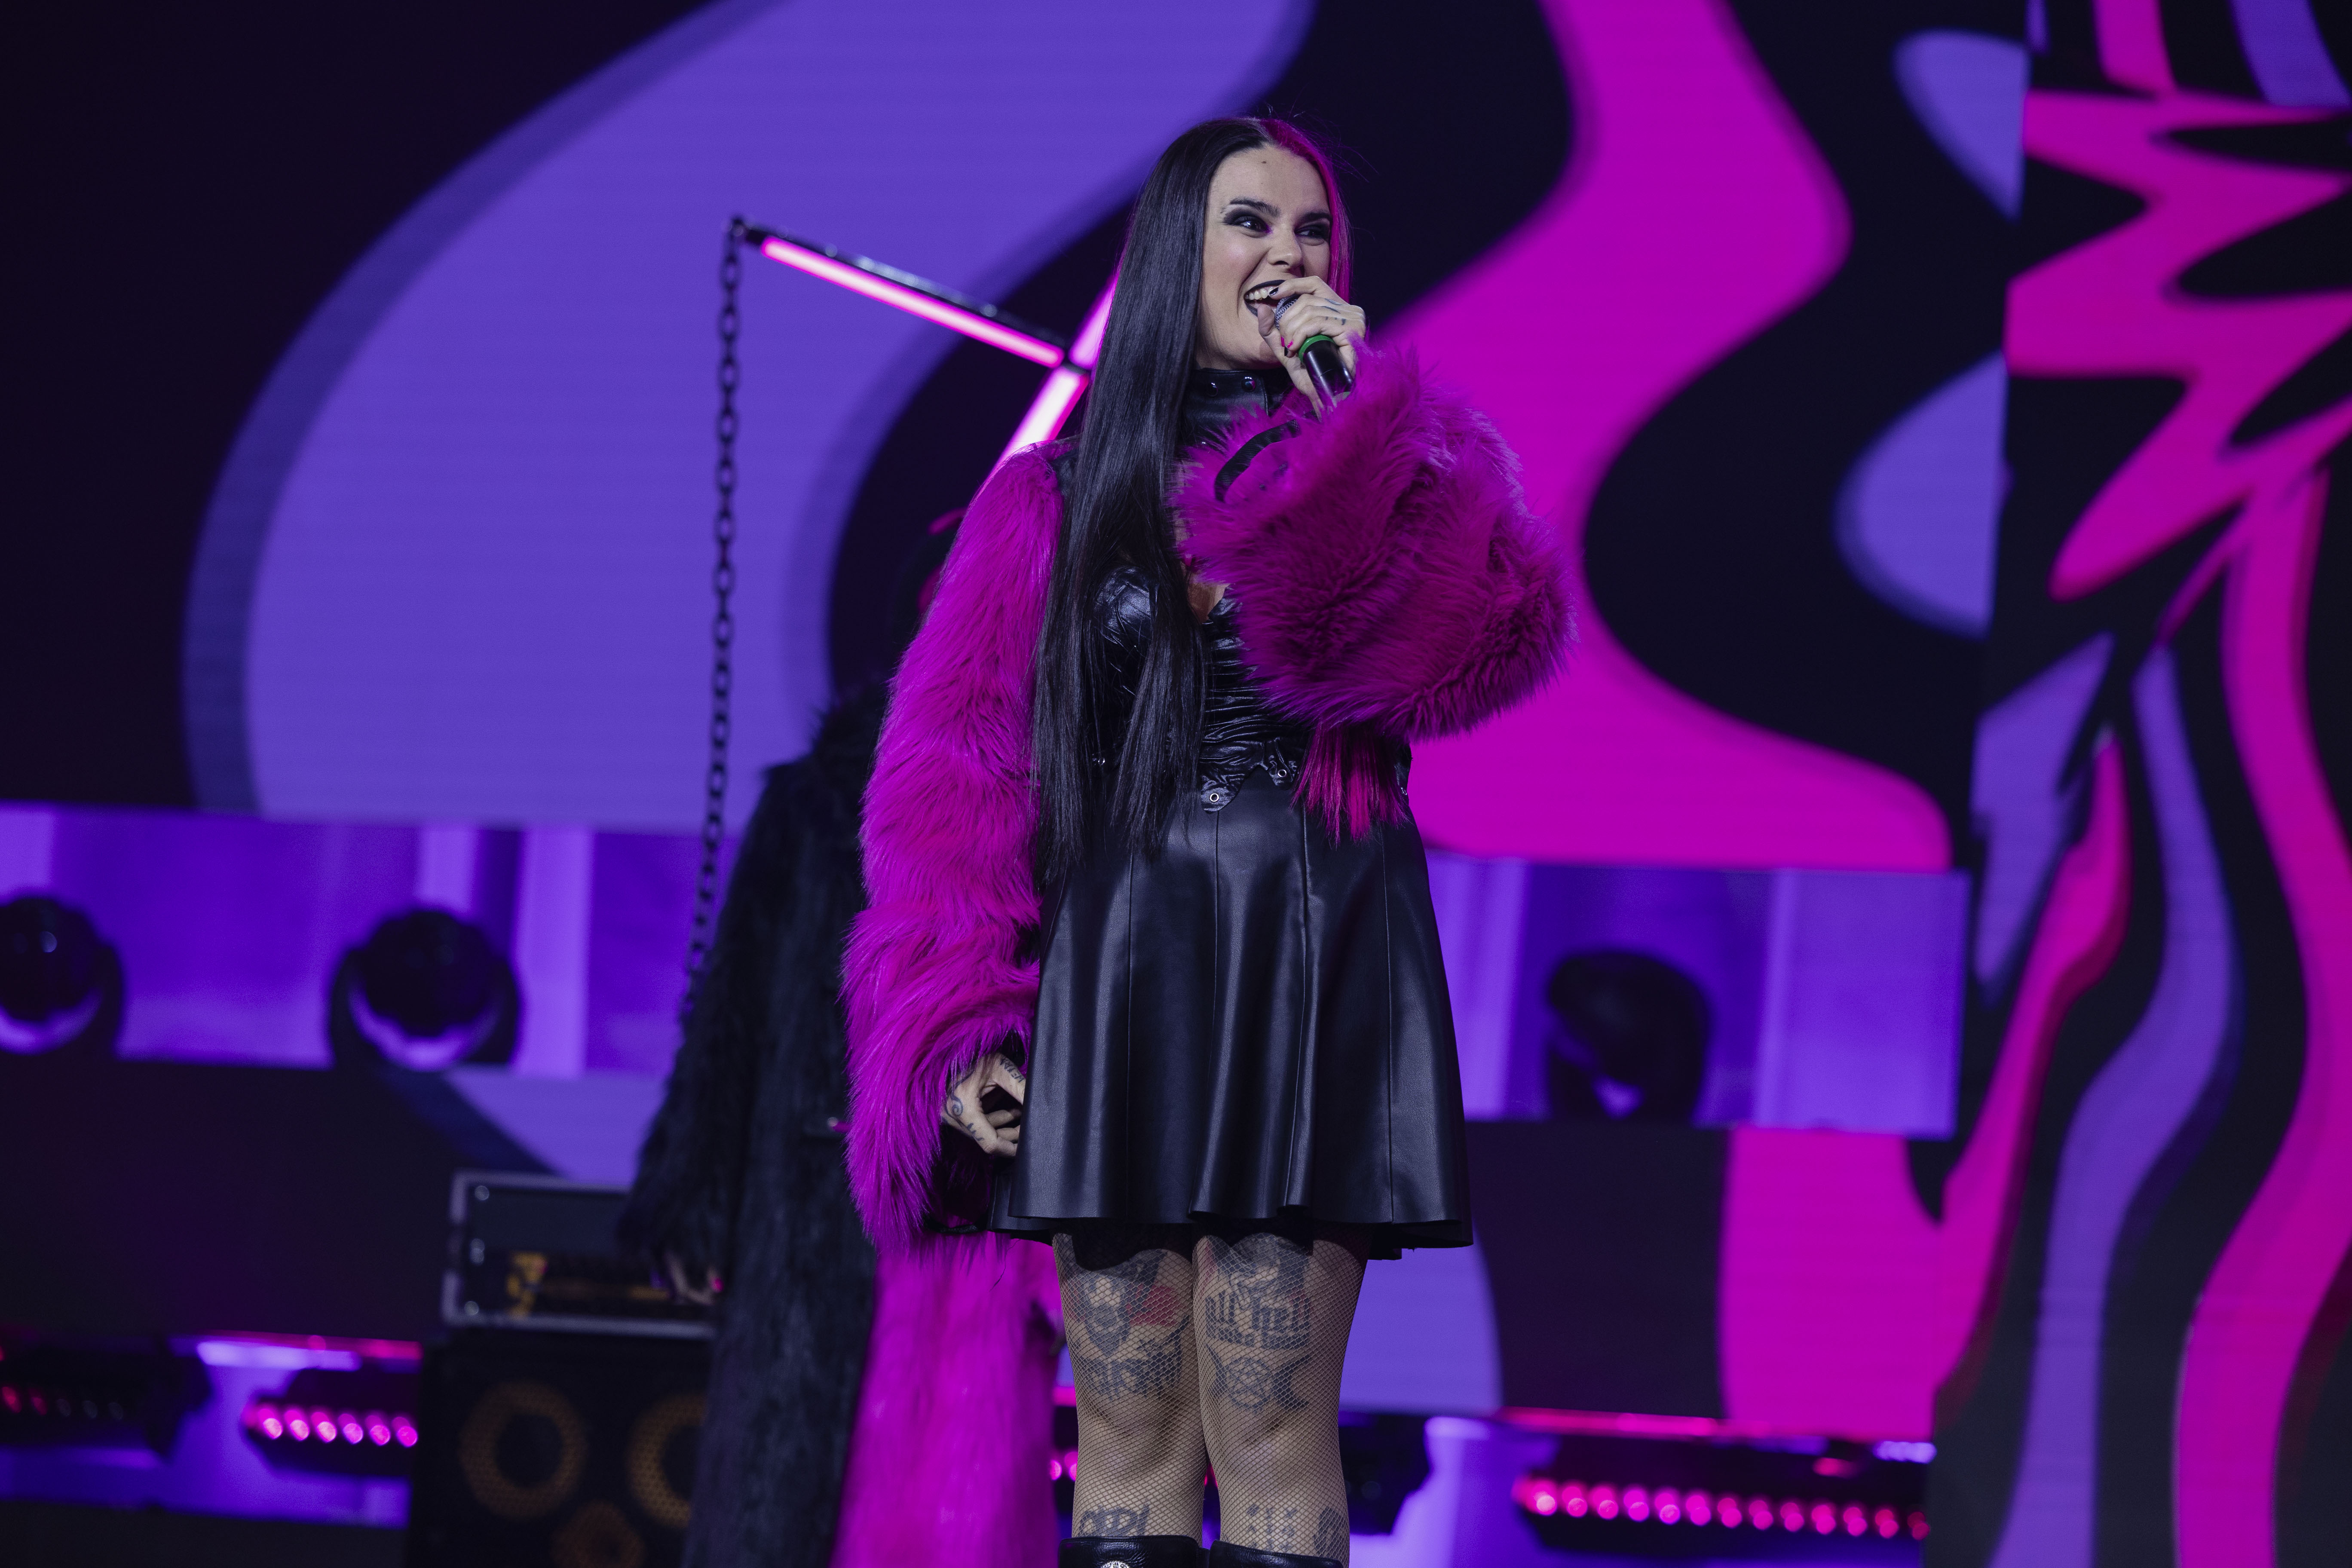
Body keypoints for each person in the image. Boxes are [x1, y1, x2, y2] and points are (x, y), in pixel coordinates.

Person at [845, 116, 1570, 1568]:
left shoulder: (1397, 470)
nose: (1287, 257)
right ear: (1181, 249)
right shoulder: (1049, 500)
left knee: (1267, 1425)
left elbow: (1484, 644)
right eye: (1251, 223)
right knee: (1128, 1429)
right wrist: (962, 1015)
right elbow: (953, 774)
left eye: (1313, 231)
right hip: (1121, 967)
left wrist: (1367, 427)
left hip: (1310, 953)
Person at [620, 685, 1062, 1568]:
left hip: (966, 1209)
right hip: (807, 1197)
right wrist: (694, 1187)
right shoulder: (818, 799)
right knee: (777, 1491)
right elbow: (736, 1003)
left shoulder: (1059, 799)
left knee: (948, 1503)